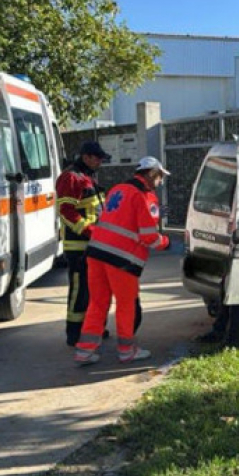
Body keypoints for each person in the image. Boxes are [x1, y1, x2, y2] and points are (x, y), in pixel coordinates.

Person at [74, 156, 171, 366]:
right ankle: (127, 351)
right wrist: (166, 242)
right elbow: (149, 236)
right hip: (122, 259)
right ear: (151, 174)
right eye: (159, 177)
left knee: (97, 303)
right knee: (126, 304)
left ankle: (84, 351)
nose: (160, 182)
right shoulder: (145, 196)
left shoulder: (118, 189)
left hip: (96, 252)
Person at [56, 140, 110, 346]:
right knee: (80, 290)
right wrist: (89, 231)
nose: (100, 162)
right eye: (97, 158)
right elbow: (66, 212)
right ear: (86, 157)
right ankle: (75, 333)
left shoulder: (88, 176)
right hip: (78, 246)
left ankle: (93, 328)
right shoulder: (71, 177)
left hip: (94, 244)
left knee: (96, 290)